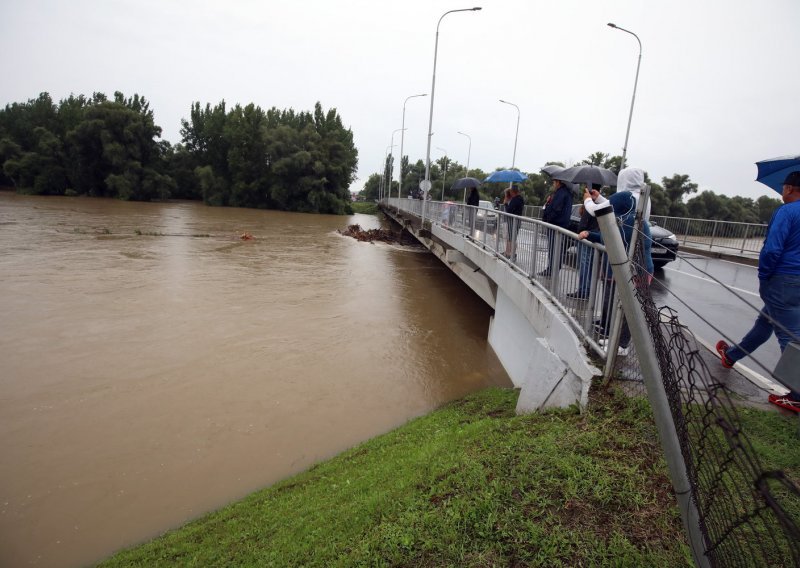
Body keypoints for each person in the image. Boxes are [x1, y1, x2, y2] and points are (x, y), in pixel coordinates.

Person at [716, 171, 800, 412]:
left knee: (788, 336)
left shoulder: (786, 211)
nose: (783, 191)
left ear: (790, 189)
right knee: (766, 322)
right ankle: (731, 356)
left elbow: (773, 249)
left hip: (783, 279)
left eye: (785, 186)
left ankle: (797, 394)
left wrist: (764, 277)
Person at [578, 189, 654, 356]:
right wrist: (590, 234)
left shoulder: (626, 223)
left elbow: (607, 238)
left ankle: (622, 346)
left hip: (638, 273)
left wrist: (590, 234)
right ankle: (615, 339)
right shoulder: (632, 219)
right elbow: (607, 236)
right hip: (633, 271)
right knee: (621, 306)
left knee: (629, 311)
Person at [567, 184, 601, 299]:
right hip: (585, 236)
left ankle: (584, 291)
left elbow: (591, 220)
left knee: (585, 265)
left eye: (585, 189)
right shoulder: (591, 203)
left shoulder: (595, 204)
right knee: (585, 265)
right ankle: (583, 290)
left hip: (588, 237)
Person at [538, 178, 573, 276]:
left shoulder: (561, 193)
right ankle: (553, 269)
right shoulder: (567, 193)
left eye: (554, 182)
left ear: (558, 182)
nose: (553, 184)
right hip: (561, 225)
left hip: (556, 224)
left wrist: (548, 218)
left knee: (554, 248)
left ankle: (551, 270)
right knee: (557, 248)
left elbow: (556, 209)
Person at [504, 185, 524, 258]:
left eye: (510, 192)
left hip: (513, 221)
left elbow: (508, 210)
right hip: (516, 221)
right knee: (512, 238)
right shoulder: (520, 199)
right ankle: (510, 253)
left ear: (513, 192)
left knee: (511, 238)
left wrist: (506, 203)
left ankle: (510, 254)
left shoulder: (516, 199)